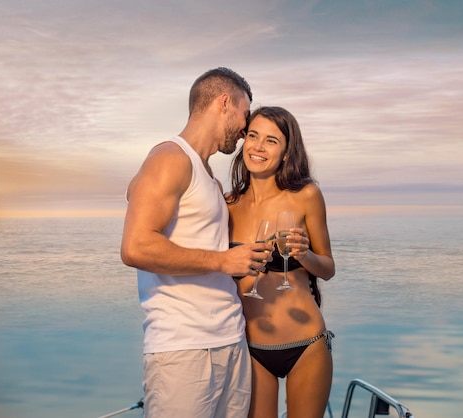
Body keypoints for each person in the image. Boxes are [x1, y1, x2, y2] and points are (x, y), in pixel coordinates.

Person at [120, 67, 273, 418]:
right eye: (244, 114)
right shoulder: (170, 158)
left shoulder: (207, 175)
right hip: (184, 350)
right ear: (224, 103)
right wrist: (222, 261)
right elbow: (136, 247)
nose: (245, 128)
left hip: (230, 339)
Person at [226, 106, 336, 418]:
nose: (258, 147)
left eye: (271, 141)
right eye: (253, 135)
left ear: (287, 152)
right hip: (252, 349)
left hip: (306, 345)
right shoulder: (228, 204)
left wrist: (305, 255)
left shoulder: (305, 195)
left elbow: (327, 268)